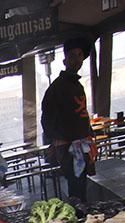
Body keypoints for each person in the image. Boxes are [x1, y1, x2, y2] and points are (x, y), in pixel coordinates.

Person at [41, 37, 97, 201]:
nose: (77, 60)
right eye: (72, 56)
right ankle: (79, 220)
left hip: (82, 146)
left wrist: (88, 134)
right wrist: (63, 142)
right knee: (75, 189)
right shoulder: (56, 89)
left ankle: (84, 217)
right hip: (68, 149)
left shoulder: (77, 86)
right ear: (65, 59)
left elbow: (82, 115)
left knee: (82, 187)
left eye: (80, 55)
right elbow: (47, 121)